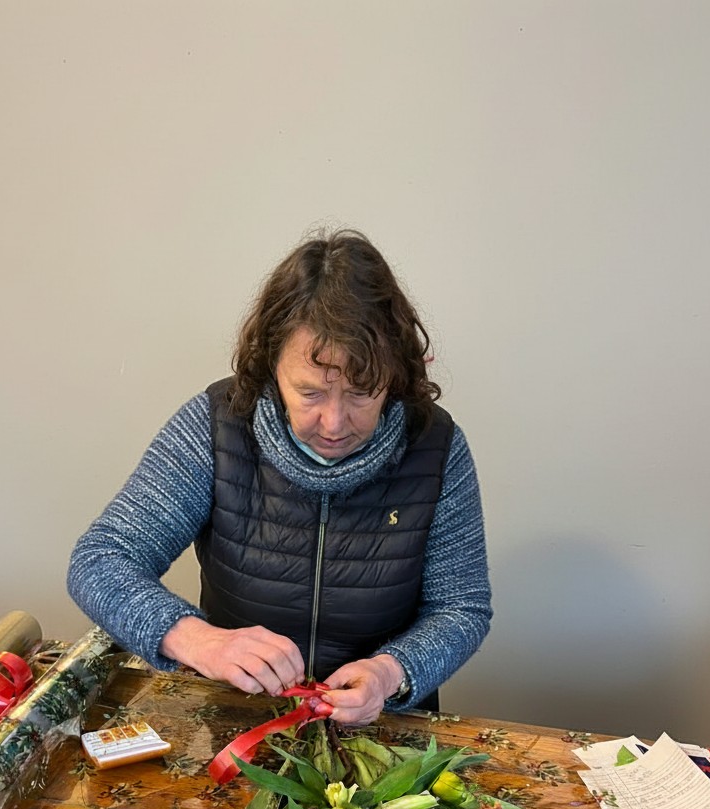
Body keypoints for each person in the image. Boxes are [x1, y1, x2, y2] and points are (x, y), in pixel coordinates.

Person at [67, 229, 491, 725]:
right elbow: (100, 561)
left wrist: (391, 672)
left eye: (361, 393)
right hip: (234, 719)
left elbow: (462, 607)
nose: (334, 423)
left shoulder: (436, 446)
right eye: (310, 393)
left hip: (382, 726)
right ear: (272, 368)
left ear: (394, 376)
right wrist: (198, 640)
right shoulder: (214, 426)